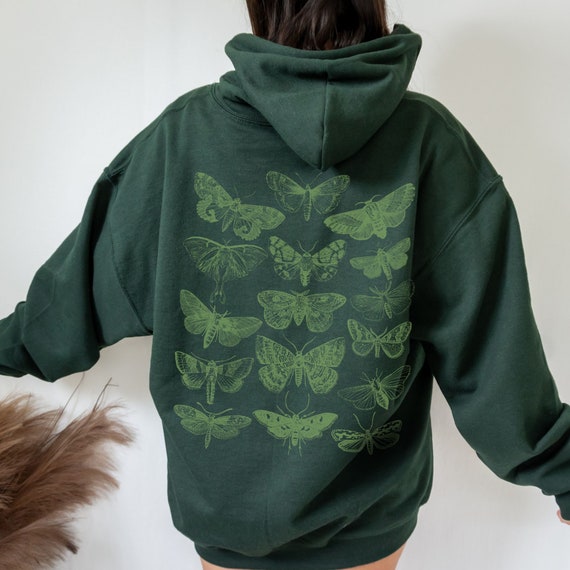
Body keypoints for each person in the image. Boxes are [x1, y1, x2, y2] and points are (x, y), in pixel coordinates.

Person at [0, 1, 569, 569]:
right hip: (367, 517)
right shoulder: (432, 142)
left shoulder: (182, 136)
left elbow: (70, 306)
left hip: (224, 513)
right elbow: (493, 355)